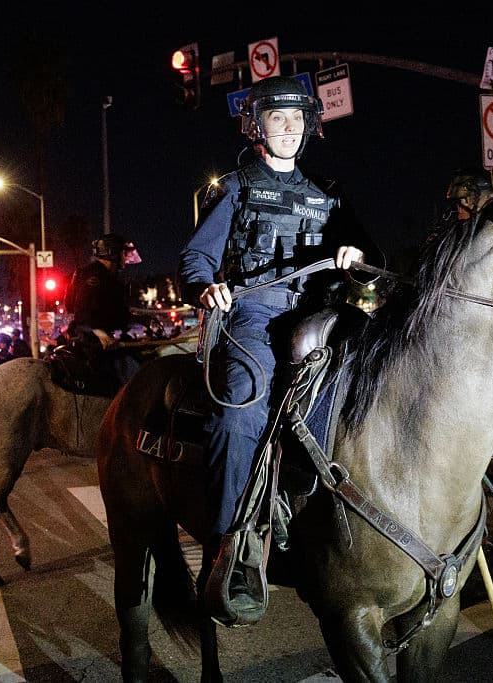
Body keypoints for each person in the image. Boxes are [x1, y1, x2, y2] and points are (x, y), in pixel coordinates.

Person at [178, 75, 371, 610]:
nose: (289, 129)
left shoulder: (329, 196)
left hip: (317, 317)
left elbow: (370, 261)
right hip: (255, 316)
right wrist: (206, 287)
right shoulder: (236, 187)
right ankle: (227, 547)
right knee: (237, 417)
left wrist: (355, 257)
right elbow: (196, 258)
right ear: (257, 126)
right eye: (277, 119)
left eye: (297, 119)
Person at [64, 233, 142, 384]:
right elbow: (81, 311)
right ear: (112, 253)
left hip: (103, 340)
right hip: (91, 343)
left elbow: (114, 312)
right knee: (135, 377)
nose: (125, 258)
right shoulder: (94, 276)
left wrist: (138, 319)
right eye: (122, 253)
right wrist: (101, 334)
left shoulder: (109, 277)